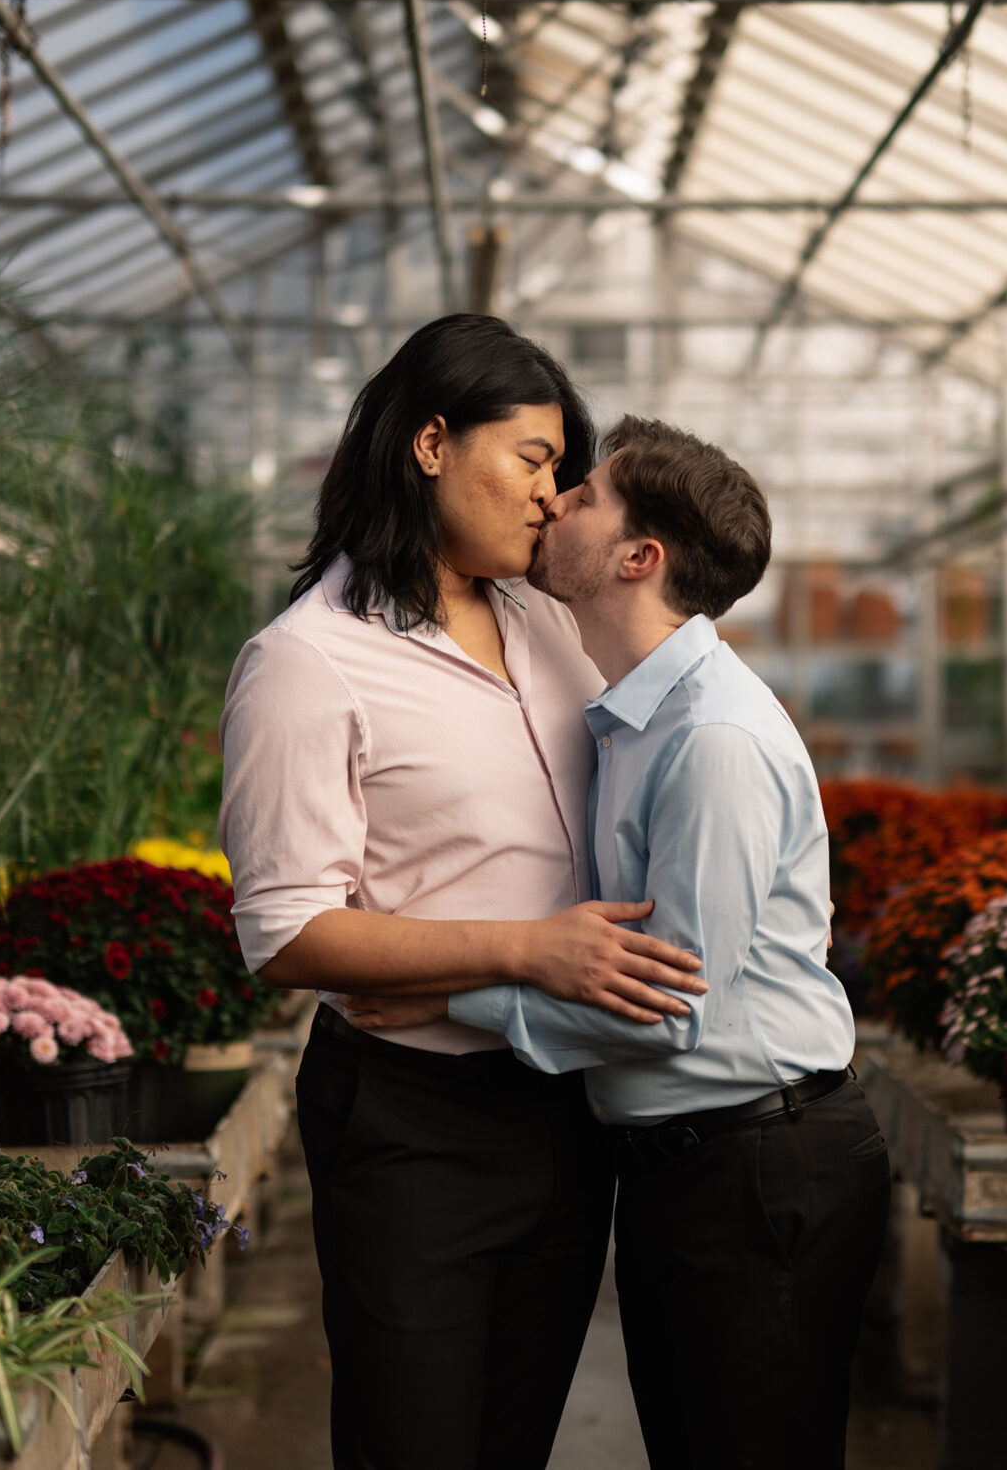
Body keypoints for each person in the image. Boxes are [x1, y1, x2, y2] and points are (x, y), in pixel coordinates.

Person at [217, 317, 709, 1470]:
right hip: (412, 1126)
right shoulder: (308, 662)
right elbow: (285, 932)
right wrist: (520, 953)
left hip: (560, 1106)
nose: (551, 496)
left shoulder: (549, 623)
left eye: (561, 472)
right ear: (431, 442)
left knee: (512, 1440)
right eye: (532, 459)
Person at [351, 417, 889, 1470]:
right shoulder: (636, 718)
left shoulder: (711, 741)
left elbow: (669, 1005)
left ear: (638, 558)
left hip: (756, 1166)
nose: (555, 500)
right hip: (691, 1164)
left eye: (585, 493)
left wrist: (444, 993)